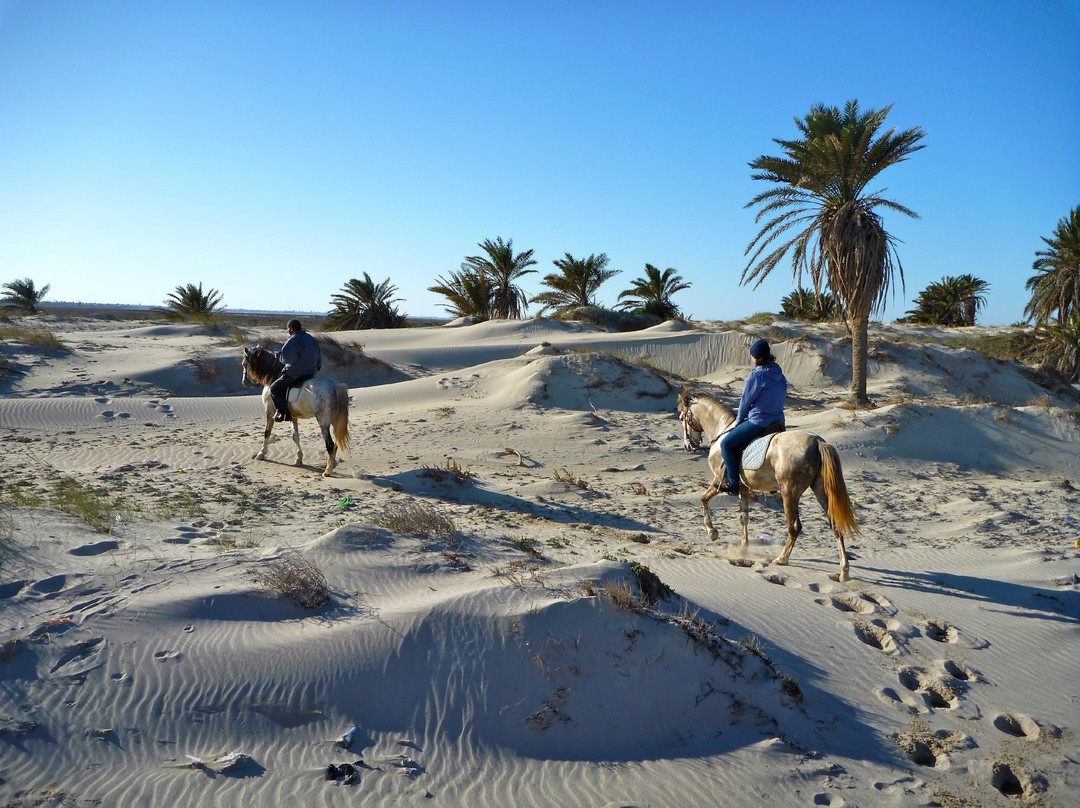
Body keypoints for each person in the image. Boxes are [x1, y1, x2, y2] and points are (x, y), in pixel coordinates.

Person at [715, 338, 787, 494]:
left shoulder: (757, 376)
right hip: (778, 421)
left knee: (726, 444)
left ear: (757, 357)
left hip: (759, 421)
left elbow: (745, 401)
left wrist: (739, 420)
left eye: (752, 355)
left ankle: (733, 484)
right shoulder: (780, 374)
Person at [269, 318, 322, 422]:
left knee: (274, 388)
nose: (288, 331)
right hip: (310, 373)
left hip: (295, 374)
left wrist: (279, 356)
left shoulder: (293, 340)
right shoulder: (311, 339)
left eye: (288, 329)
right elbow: (319, 357)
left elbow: (288, 359)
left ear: (292, 329)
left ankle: (284, 413)